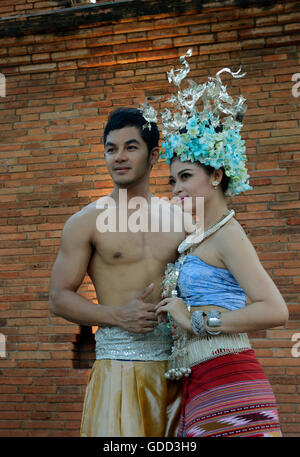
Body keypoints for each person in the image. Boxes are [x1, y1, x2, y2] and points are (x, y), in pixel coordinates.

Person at [143, 49, 289, 437]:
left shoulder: (227, 233)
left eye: (186, 176)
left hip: (229, 380)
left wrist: (197, 320)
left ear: (217, 173)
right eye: (172, 180)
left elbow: (276, 310)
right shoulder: (194, 237)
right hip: (197, 382)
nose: (176, 189)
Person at [49, 107, 186, 437]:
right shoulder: (86, 221)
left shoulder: (183, 220)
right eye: (111, 149)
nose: (119, 157)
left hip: (179, 373)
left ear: (154, 155)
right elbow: (58, 297)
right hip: (118, 372)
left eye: (131, 147)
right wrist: (115, 316)